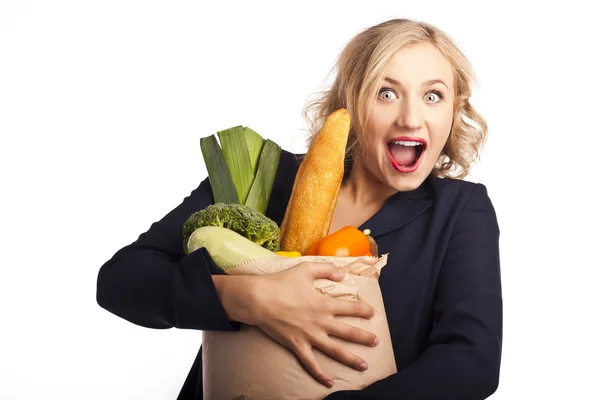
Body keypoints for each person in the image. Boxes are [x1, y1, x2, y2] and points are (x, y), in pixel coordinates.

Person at [97, 18, 502, 400]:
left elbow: (471, 361)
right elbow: (120, 281)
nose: (411, 118)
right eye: (386, 92)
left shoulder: (460, 211)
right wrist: (247, 298)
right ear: (351, 103)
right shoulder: (263, 179)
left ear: (454, 109)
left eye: (433, 96)